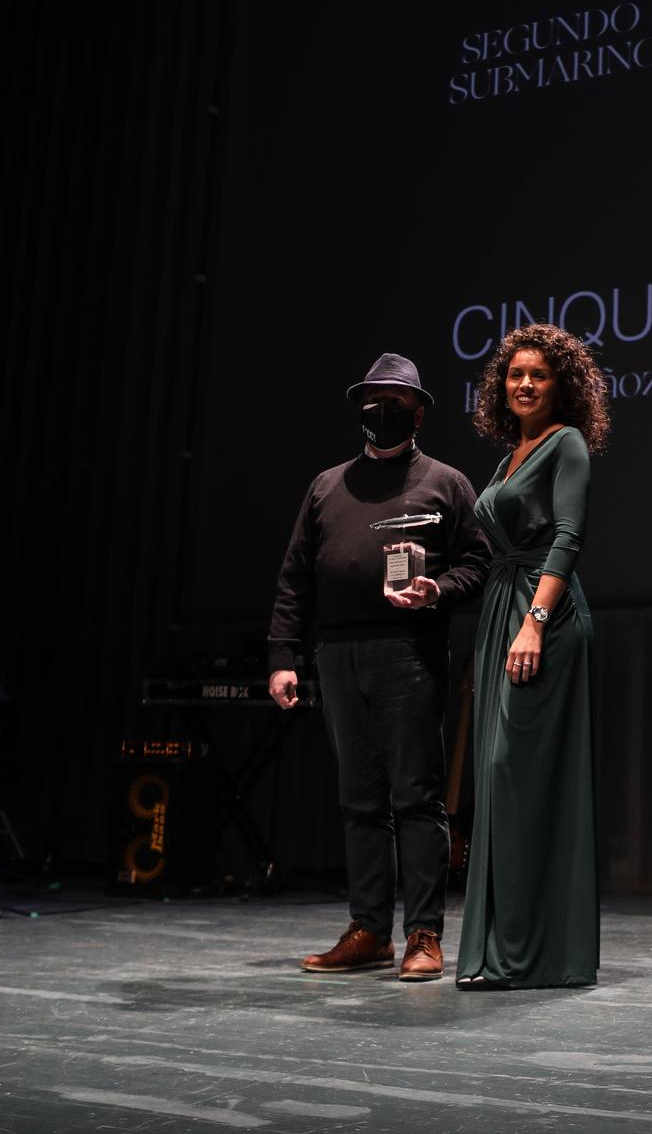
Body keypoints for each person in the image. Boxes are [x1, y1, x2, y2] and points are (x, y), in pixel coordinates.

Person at [267, 353, 491, 983]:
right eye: (371, 399)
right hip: (338, 654)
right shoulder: (327, 485)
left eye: (394, 400)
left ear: (418, 411)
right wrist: (283, 656)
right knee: (359, 800)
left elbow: (478, 566)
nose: (380, 410)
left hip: (408, 651)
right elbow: (294, 580)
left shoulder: (446, 483)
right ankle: (368, 931)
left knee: (417, 798)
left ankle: (423, 933)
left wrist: (437, 591)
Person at [456, 323, 608, 990]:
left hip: (541, 616)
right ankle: (501, 946)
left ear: (561, 384)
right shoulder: (511, 454)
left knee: (516, 773)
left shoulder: (566, 442)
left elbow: (568, 536)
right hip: (501, 611)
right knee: (498, 782)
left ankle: (533, 950)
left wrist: (534, 623)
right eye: (515, 373)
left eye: (538, 375)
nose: (524, 383)